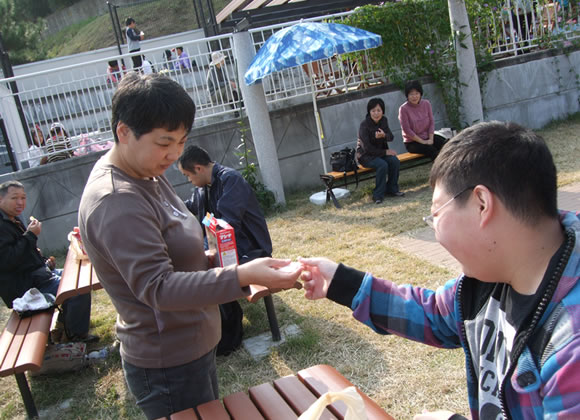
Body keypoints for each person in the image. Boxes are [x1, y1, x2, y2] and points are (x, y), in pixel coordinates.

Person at [300, 121, 580, 419]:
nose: (434, 229)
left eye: (435, 214)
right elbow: (432, 313)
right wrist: (340, 282)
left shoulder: (569, 344)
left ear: (481, 205)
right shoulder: (489, 279)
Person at [78, 72, 301, 419]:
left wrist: (217, 262)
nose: (175, 154)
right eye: (165, 142)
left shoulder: (146, 172)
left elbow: (178, 252)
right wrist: (240, 275)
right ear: (124, 132)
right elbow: (159, 287)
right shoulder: (115, 200)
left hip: (191, 346)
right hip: (168, 361)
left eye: (182, 141)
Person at [0, 180, 94, 342]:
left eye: (23, 197)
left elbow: (22, 252)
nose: (20, 202)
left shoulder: (11, 218)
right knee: (78, 289)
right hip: (27, 289)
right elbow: (7, 260)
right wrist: (30, 235)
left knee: (81, 277)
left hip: (38, 275)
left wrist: (42, 260)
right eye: (14, 198)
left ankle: (66, 325)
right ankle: (75, 336)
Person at [356, 97, 404, 204]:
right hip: (365, 156)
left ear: (383, 111)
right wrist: (385, 152)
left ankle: (392, 189)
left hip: (380, 153)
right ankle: (378, 195)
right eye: (373, 111)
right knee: (382, 165)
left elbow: (391, 137)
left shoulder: (384, 120)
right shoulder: (364, 125)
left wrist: (384, 135)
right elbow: (367, 148)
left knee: (394, 161)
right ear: (369, 112)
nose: (376, 114)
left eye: (379, 110)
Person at [398, 80, 446, 161]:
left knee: (446, 144)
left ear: (420, 94)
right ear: (407, 95)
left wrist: (431, 139)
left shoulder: (426, 104)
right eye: (411, 94)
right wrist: (422, 141)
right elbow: (407, 130)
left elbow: (431, 122)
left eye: (417, 93)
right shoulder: (403, 109)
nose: (414, 96)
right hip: (413, 142)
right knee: (432, 150)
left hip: (428, 137)